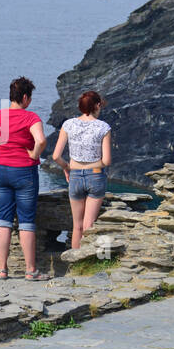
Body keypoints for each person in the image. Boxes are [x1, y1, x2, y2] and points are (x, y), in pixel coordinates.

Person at [0, 76, 47, 280]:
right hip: (24, 172)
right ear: (24, 97)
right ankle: (30, 270)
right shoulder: (31, 118)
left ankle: (2, 269)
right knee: (26, 221)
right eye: (29, 97)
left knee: (3, 218)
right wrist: (34, 154)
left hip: (0, 170)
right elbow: (40, 140)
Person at [51, 90, 113, 250]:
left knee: (77, 226)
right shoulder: (103, 127)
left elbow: (56, 156)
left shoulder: (68, 125)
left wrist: (67, 168)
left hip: (75, 177)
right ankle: (87, 263)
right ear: (97, 105)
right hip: (96, 177)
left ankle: (76, 261)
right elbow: (106, 161)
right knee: (89, 225)